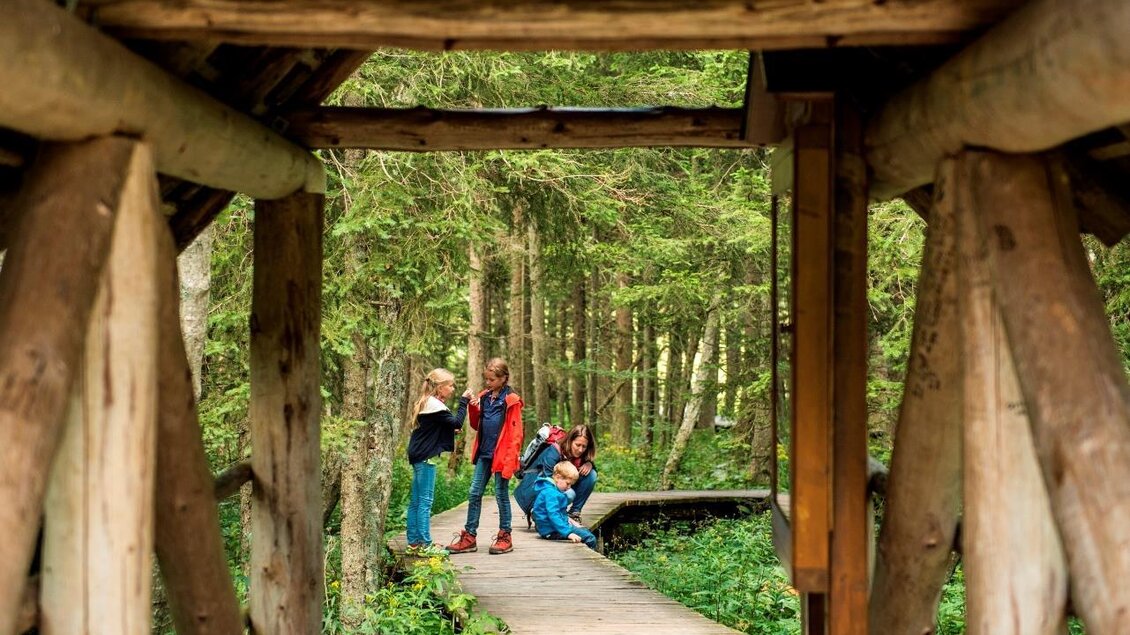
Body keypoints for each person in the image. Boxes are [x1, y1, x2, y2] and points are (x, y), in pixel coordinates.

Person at [446, 358, 524, 555]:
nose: (487, 383)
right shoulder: (485, 397)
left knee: (501, 494)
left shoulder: (511, 400)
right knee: (474, 493)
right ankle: (469, 536)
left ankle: (505, 536)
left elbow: (516, 434)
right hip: (484, 454)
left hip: (502, 456)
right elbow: (475, 425)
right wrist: (474, 407)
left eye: (491, 380)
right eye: (486, 379)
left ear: (503, 378)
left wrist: (511, 461)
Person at [405, 368, 471, 552]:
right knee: (425, 501)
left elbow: (436, 428)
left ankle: (413, 542)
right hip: (426, 457)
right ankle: (426, 544)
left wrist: (450, 429)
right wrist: (464, 401)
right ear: (440, 387)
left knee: (416, 501)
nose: (452, 388)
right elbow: (457, 422)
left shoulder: (428, 403)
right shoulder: (435, 405)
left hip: (418, 454)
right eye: (450, 385)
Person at [523, 424, 597, 523]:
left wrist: (589, 464)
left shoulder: (583, 454)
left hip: (563, 485)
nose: (580, 450)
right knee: (567, 494)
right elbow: (546, 483)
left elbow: (587, 473)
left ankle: (574, 513)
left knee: (591, 475)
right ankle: (542, 512)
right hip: (542, 487)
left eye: (584, 446)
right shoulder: (554, 452)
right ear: (570, 441)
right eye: (577, 445)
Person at [531, 461, 597, 549]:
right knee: (590, 538)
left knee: (584, 531)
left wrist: (572, 524)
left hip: (549, 528)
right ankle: (589, 559)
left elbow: (560, 513)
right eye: (568, 483)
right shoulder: (552, 493)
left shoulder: (551, 489)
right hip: (551, 530)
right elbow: (553, 515)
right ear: (558, 477)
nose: (569, 488)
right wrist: (568, 533)